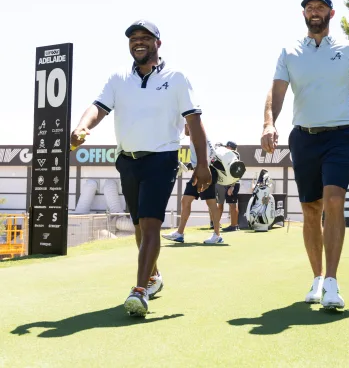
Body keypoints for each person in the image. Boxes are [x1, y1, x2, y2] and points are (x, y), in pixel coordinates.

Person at [70, 20, 211, 317]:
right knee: (138, 226)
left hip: (162, 158)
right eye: (134, 38)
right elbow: (98, 107)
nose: (138, 42)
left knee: (149, 224)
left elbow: (195, 122)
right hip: (127, 160)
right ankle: (153, 277)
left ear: (158, 43)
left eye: (145, 37)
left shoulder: (177, 78)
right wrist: (83, 126)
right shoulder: (118, 79)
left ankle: (139, 291)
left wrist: (203, 164)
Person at [260, 0, 349, 310]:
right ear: (304, 15)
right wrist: (269, 123)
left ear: (331, 14)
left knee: (334, 200)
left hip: (339, 135)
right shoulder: (290, 51)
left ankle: (333, 283)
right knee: (311, 209)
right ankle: (317, 278)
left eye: (320, 7)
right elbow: (277, 92)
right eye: (309, 7)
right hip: (303, 138)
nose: (314, 12)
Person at [162, 126, 224, 244]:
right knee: (185, 200)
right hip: (199, 171)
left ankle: (217, 235)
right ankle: (179, 234)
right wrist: (191, 165)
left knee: (211, 203)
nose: (184, 129)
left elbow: (208, 156)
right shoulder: (197, 136)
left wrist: (204, 171)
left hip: (206, 171)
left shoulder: (198, 136)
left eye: (185, 126)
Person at [217, 141, 242, 232]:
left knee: (232, 204)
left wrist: (232, 186)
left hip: (233, 183)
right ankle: (234, 225)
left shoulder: (234, 154)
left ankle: (234, 225)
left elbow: (235, 172)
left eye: (227, 147)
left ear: (230, 147)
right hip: (231, 183)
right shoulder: (231, 155)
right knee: (232, 204)